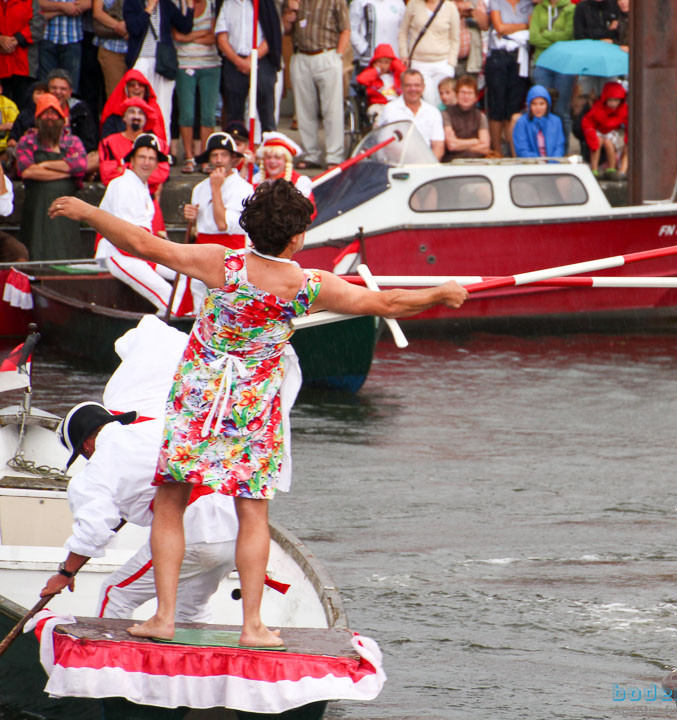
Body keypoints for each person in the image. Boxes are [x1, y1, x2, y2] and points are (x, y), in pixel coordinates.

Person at [48, 180, 468, 646]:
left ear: (249, 227)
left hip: (199, 402)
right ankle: (253, 626)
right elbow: (387, 302)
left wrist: (88, 211)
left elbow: (142, 243)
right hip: (252, 409)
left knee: (170, 503)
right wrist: (440, 293)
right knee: (252, 513)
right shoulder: (307, 286)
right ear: (297, 238)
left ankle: (163, 618)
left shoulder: (219, 265)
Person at [39, 320, 238, 620]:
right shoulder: (158, 421)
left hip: (194, 533)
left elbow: (93, 530)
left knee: (114, 594)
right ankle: (195, 666)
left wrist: (65, 572)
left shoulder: (100, 468)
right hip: (232, 530)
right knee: (191, 609)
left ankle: (105, 666)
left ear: (86, 445)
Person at [97, 133, 186, 314]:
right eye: (142, 157)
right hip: (120, 254)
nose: (146, 162)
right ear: (132, 159)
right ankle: (165, 331)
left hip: (142, 251)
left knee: (187, 274)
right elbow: (125, 237)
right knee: (169, 299)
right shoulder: (121, 184)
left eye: (151, 158)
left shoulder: (142, 186)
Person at [15, 93, 88, 260]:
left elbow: (81, 166)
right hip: (36, 212)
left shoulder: (73, 141)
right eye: (46, 113)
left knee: (66, 254)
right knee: (36, 252)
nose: (50, 118)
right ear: (38, 117)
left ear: (61, 118)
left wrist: (45, 165)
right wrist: (66, 171)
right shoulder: (27, 141)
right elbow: (27, 171)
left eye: (54, 113)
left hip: (66, 215)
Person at [283, 0, 350, 169]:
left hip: (326, 53)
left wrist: (338, 56)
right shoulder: (295, 1)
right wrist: (289, 16)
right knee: (304, 109)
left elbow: (345, 29)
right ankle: (310, 154)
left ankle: (335, 155)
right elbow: (287, 31)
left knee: (332, 108)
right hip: (301, 55)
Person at [123, 0, 195, 143]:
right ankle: (137, 145)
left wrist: (190, 7)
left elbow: (185, 26)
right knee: (138, 105)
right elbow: (134, 28)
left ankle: (163, 147)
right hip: (141, 59)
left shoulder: (165, 4)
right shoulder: (132, 3)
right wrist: (149, 8)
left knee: (163, 108)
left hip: (163, 62)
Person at [215, 0, 280, 134]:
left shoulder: (264, 4)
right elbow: (221, 38)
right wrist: (238, 61)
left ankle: (268, 149)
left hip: (261, 61)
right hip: (234, 61)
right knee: (233, 114)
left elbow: (271, 35)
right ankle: (236, 150)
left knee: (266, 113)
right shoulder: (227, 4)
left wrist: (251, 60)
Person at [184, 131, 254, 251]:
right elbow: (193, 232)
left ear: (233, 158)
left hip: (233, 251)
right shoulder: (199, 188)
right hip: (202, 248)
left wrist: (215, 188)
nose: (219, 160)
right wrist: (191, 219)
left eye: (224, 155)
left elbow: (222, 225)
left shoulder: (244, 188)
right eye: (214, 155)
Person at [175, 0, 220, 173]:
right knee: (186, 114)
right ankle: (189, 157)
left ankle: (204, 157)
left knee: (208, 115)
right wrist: (201, 34)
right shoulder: (179, 4)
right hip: (184, 65)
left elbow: (213, 37)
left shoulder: (213, 4)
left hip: (211, 65)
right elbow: (177, 36)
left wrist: (188, 37)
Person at [485, 0, 531, 154]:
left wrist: (509, 29)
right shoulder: (496, 2)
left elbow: (531, 25)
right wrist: (523, 26)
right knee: (497, 105)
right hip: (498, 56)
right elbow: (499, 27)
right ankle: (497, 152)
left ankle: (513, 153)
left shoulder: (528, 3)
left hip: (520, 56)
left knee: (513, 106)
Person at [398, 0, 459, 107]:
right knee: (429, 101)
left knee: (444, 101)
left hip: (443, 63)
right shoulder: (413, 4)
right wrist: (404, 54)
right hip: (419, 63)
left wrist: (451, 63)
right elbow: (403, 32)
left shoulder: (450, 7)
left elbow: (455, 39)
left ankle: (444, 123)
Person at [528, 0, 574, 141]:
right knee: (541, 108)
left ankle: (563, 151)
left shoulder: (571, 8)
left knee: (561, 110)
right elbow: (534, 37)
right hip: (542, 63)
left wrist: (546, 34)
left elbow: (567, 36)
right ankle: (543, 149)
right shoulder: (538, 9)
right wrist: (555, 37)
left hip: (564, 64)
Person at [99, 97, 170, 185]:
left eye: (140, 113)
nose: (136, 116)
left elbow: (162, 174)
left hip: (149, 196)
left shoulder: (158, 143)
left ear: (146, 119)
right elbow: (108, 176)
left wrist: (124, 169)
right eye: (132, 112)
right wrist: (144, 172)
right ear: (124, 117)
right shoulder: (109, 142)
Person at [378, 68, 446, 160]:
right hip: (396, 165)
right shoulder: (390, 109)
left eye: (417, 85)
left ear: (423, 87)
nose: (413, 89)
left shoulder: (433, 112)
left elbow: (438, 146)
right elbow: (386, 144)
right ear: (401, 86)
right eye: (408, 85)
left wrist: (429, 166)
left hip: (425, 165)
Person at [47, 69, 98, 177]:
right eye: (54, 88)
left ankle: (56, 173)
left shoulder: (80, 110)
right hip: (46, 155)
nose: (58, 92)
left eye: (63, 89)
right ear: (47, 90)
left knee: (98, 157)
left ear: (70, 92)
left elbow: (90, 142)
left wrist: (73, 153)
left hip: (75, 156)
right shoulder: (37, 109)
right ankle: (73, 174)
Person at [99, 69, 167, 147]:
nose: (136, 87)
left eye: (140, 85)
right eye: (132, 85)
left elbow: (160, 145)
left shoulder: (154, 113)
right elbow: (106, 145)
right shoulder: (113, 117)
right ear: (125, 89)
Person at [252, 131, 315, 211]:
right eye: (268, 157)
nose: (272, 161)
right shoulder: (256, 180)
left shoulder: (300, 182)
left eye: (277, 158)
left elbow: (307, 213)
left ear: (286, 161)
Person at [38, 0, 88, 92]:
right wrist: (63, 7)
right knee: (46, 85)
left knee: (71, 86)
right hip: (47, 38)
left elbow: (89, 3)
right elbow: (38, 3)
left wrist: (54, 11)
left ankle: (69, 106)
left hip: (72, 39)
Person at [581, 80, 627, 177]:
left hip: (612, 131)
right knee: (596, 143)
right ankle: (594, 169)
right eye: (610, 100)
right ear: (605, 99)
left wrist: (626, 139)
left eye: (616, 100)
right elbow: (587, 121)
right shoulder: (598, 107)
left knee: (608, 143)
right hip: (599, 130)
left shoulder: (623, 109)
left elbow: (628, 124)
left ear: (621, 100)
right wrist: (591, 135)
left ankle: (611, 168)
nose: (613, 104)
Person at [442, 74, 489, 161]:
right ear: (456, 94)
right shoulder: (446, 114)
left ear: (476, 97)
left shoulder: (480, 116)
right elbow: (451, 145)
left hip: (476, 163)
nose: (466, 97)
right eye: (463, 92)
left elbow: (485, 147)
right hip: (452, 162)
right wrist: (475, 141)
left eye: (470, 93)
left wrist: (460, 145)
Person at [512, 84, 564, 158]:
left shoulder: (556, 121)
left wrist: (552, 163)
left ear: (547, 105)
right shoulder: (521, 122)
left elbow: (559, 148)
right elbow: (522, 150)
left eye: (541, 104)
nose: (538, 108)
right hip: (530, 165)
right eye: (534, 104)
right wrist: (540, 161)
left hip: (553, 165)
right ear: (529, 105)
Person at [349, 0, 404, 69]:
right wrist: (363, 49)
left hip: (393, 59)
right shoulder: (359, 2)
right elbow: (351, 29)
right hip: (369, 62)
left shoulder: (399, 3)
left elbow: (404, 30)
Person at [0, 0, 33, 109]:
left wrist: (17, 39)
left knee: (23, 106)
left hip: (23, 64)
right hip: (2, 64)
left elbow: (38, 24)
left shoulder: (29, 1)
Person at [91, 0, 129, 97]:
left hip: (136, 50)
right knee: (116, 94)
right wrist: (120, 27)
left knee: (136, 92)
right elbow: (97, 13)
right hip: (111, 48)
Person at [356, 42, 406, 113]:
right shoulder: (372, 75)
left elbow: (405, 73)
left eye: (386, 62)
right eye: (379, 61)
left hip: (395, 103)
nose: (382, 65)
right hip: (378, 104)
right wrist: (376, 70)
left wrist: (394, 63)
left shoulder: (396, 75)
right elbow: (360, 79)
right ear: (374, 62)